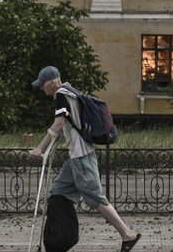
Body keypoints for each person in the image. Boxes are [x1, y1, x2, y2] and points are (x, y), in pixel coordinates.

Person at [29, 66, 141, 252]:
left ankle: (127, 235)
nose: (42, 89)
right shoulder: (71, 91)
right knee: (58, 193)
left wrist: (41, 148)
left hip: (81, 157)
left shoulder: (61, 95)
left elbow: (59, 123)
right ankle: (58, 241)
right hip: (74, 159)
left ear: (51, 82)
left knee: (96, 198)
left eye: (42, 85)